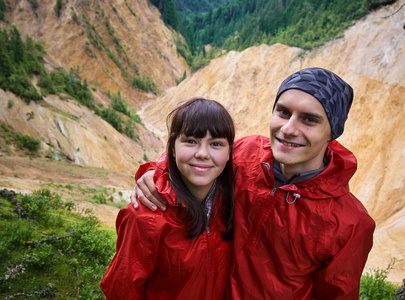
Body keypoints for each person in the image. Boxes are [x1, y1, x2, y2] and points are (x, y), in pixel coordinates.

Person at [132, 67, 376, 299]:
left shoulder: (349, 224)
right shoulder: (246, 155)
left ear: (332, 132)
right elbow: (199, 158)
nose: (289, 128)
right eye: (283, 112)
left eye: (309, 120)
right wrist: (157, 171)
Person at [101, 98, 235, 299]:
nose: (202, 154)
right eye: (191, 141)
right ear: (172, 148)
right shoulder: (145, 217)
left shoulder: (234, 200)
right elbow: (121, 291)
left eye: (216, 144)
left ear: (230, 152)